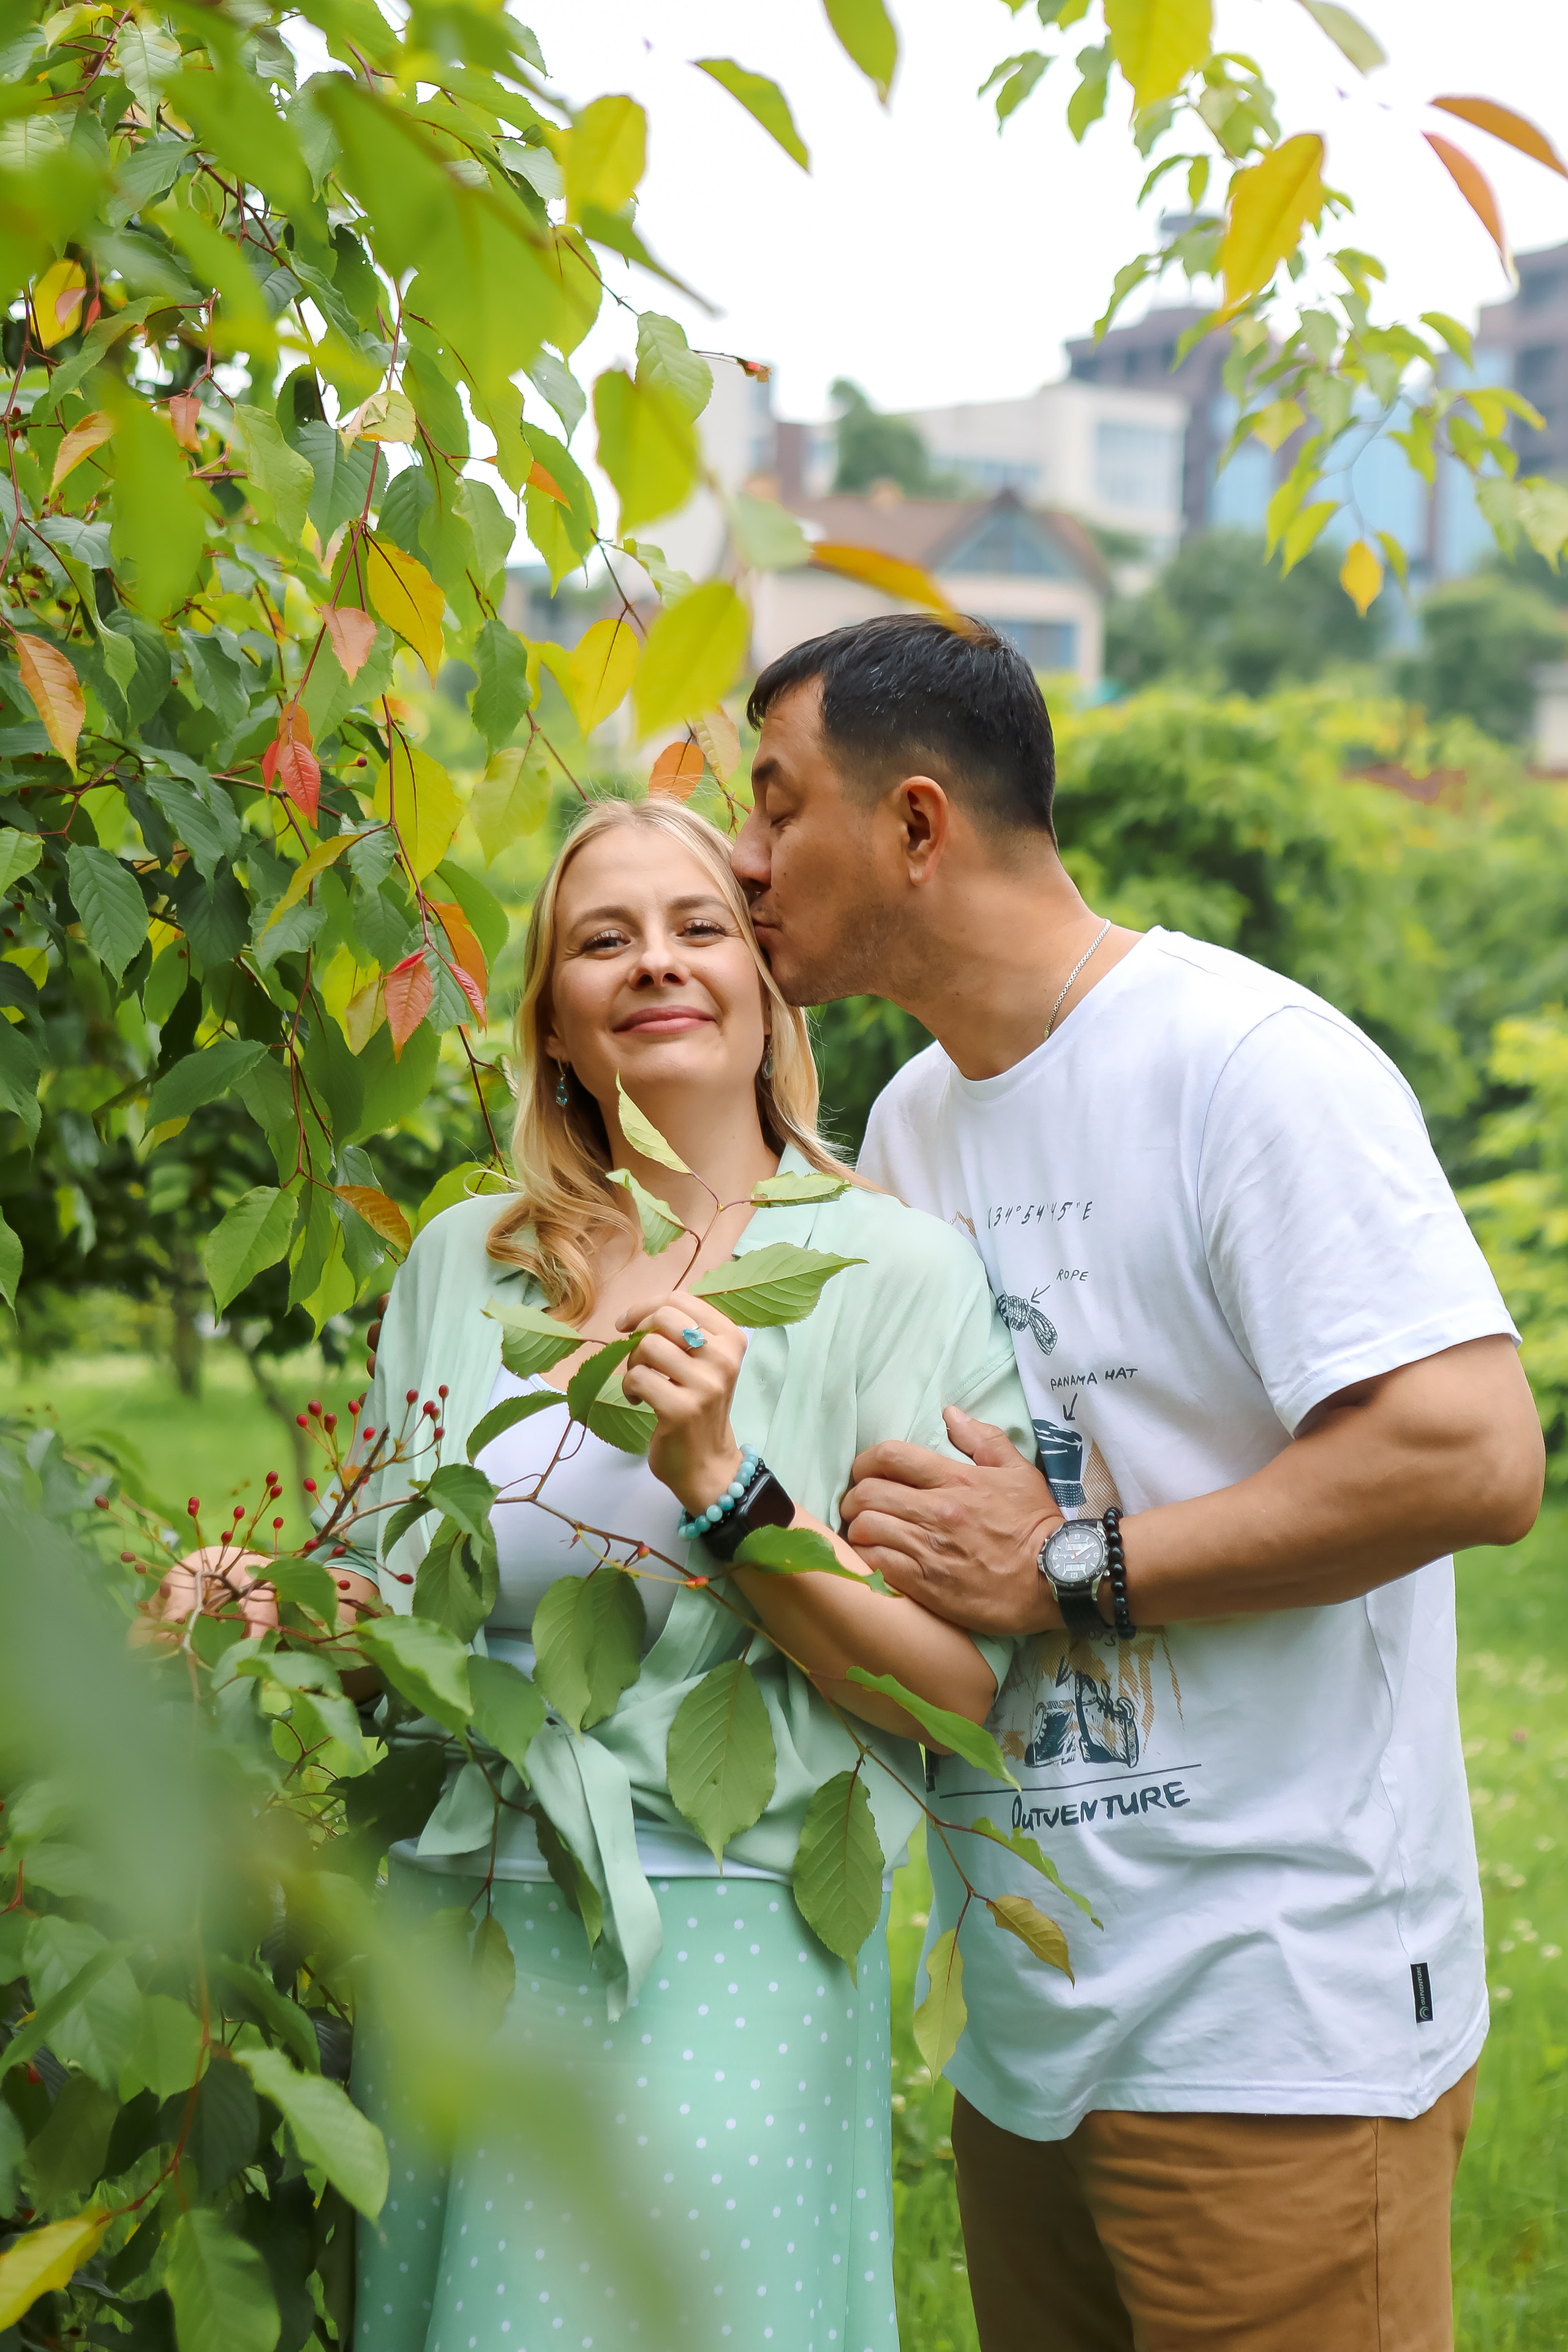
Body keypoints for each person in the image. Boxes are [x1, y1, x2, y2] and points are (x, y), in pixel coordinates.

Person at [731, 613, 1546, 2352]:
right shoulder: (915, 1129)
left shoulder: (1245, 1068)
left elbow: (1473, 1453)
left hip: (1279, 2029)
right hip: (1032, 2038)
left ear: (919, 826)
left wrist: (1070, 1568)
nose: (743, 860)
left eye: (775, 806)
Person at [339, 797, 1035, 2352]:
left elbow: (945, 1698)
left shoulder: (887, 1273)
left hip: (730, 1928)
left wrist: (723, 1487)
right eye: (603, 940)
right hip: (458, 1925)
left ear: (767, 984)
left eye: (697, 925)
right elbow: (389, 1607)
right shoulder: (466, 1260)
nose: (654, 964)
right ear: (554, 1020)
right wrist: (260, 1609)